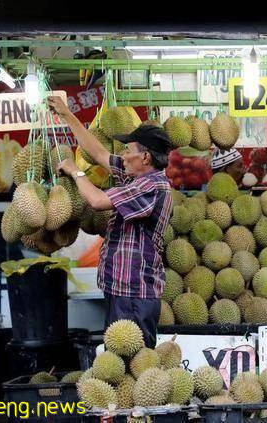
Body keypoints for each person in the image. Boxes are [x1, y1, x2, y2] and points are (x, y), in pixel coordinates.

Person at [47, 96, 173, 348]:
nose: (123, 155)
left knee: (135, 366)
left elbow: (97, 201)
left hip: (134, 293)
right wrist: (66, 114)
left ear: (145, 157)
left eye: (128, 150)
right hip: (122, 289)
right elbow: (99, 153)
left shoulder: (152, 186)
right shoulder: (134, 179)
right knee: (118, 364)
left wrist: (76, 171)